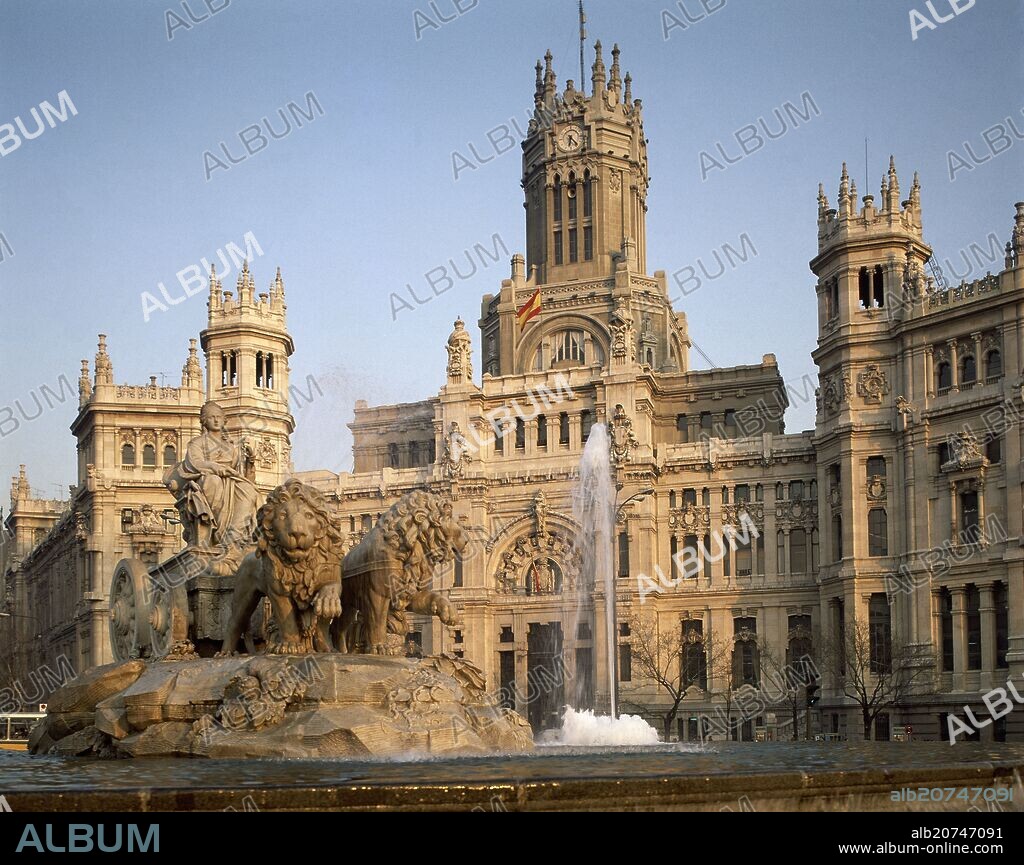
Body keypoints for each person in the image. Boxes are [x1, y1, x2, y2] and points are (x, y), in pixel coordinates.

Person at [164, 401, 259, 575]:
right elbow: (194, 463)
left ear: (224, 421)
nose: (216, 420)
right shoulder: (197, 443)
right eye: (211, 417)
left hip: (232, 482)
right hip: (207, 480)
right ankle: (216, 535)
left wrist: (250, 461)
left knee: (249, 491)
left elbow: (245, 477)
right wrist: (216, 468)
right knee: (213, 482)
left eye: (219, 417)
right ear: (204, 421)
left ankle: (232, 541)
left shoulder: (232, 447)